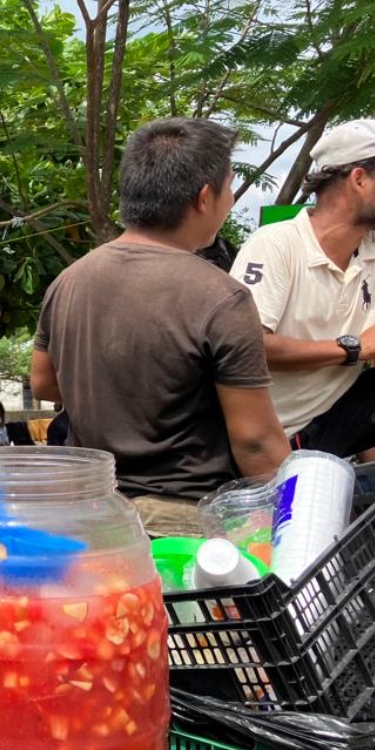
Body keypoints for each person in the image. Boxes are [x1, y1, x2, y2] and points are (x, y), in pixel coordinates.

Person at [31, 117, 290, 537]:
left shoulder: (70, 280)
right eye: (230, 187)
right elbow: (256, 442)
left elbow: (43, 383)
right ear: (205, 197)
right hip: (184, 525)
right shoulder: (222, 296)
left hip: (91, 516)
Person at [229, 119, 375, 460]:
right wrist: (352, 348)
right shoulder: (276, 245)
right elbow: (247, 347)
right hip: (274, 439)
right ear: (359, 179)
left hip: (335, 425)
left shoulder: (369, 252)